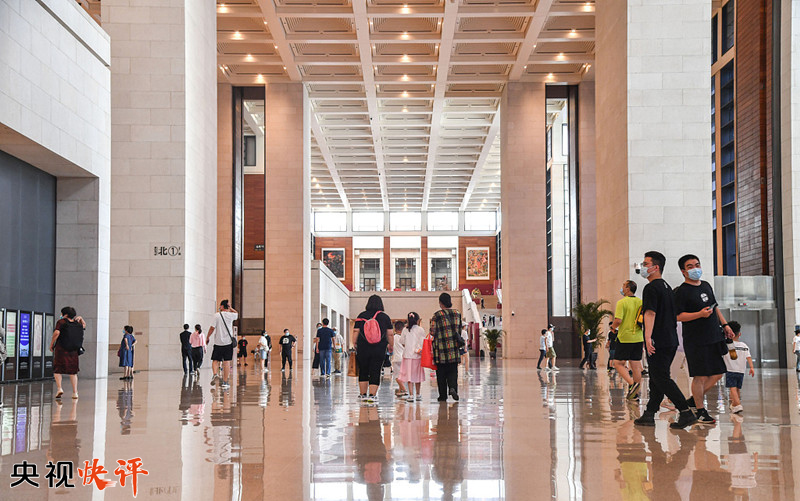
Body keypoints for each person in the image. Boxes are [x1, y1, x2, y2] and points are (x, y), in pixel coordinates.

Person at [633, 251, 697, 429]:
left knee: (661, 378)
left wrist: (647, 337)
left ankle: (685, 411)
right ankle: (649, 413)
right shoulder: (667, 287)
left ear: (656, 267)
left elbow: (650, 313)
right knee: (656, 378)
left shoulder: (651, 288)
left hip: (658, 340)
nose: (643, 267)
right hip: (670, 339)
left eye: (646, 264)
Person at [674, 254, 734, 424]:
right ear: (683, 271)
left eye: (697, 265)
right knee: (699, 376)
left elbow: (715, 308)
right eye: (690, 266)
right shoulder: (682, 291)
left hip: (714, 336)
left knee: (718, 372)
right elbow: (678, 316)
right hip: (696, 339)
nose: (695, 269)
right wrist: (699, 314)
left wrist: (725, 325)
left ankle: (693, 401)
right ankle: (700, 411)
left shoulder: (706, 285)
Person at [352, 294, 393, 404]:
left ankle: (362, 394)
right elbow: (390, 334)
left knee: (363, 370)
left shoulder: (361, 315)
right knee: (376, 370)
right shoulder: (384, 317)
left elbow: (356, 331)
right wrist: (391, 345)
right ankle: (372, 395)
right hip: (379, 348)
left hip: (363, 347)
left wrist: (354, 343)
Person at [612, 280, 644, 399]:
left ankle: (632, 384)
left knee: (618, 363)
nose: (622, 288)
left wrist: (612, 327)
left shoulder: (622, 302)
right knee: (635, 365)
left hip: (625, 337)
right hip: (638, 337)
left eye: (623, 286)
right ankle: (636, 392)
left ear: (627, 288)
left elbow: (618, 320)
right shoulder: (641, 302)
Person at [430, 292, 464, 402]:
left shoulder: (437, 315)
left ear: (440, 302)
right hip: (454, 348)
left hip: (441, 350)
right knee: (453, 371)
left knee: (441, 373)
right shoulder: (457, 313)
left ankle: (442, 396)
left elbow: (432, 332)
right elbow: (459, 330)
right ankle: (453, 388)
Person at [50, 306, 85, 400]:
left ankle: (59, 388)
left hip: (61, 349)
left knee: (57, 369)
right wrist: (81, 319)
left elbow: (57, 333)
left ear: (65, 315)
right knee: (73, 372)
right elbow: (84, 326)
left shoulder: (61, 322)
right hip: (73, 350)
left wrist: (52, 343)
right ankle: (75, 392)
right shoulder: (77, 324)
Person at [723, 321, 754, 414]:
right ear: (739, 334)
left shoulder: (727, 345)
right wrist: (751, 367)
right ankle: (734, 405)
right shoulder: (744, 345)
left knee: (732, 388)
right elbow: (748, 357)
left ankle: (738, 404)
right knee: (737, 388)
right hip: (741, 371)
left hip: (730, 370)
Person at [206, 299, 238, 389]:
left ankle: (215, 374)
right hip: (228, 343)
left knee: (215, 360)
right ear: (227, 307)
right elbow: (236, 313)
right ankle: (225, 382)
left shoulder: (216, 315)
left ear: (221, 306)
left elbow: (212, 328)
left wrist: (208, 337)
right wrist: (230, 308)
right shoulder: (231, 315)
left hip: (218, 342)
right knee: (226, 362)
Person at [399, 312, 427, 402]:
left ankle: (411, 395)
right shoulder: (420, 329)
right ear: (418, 320)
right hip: (417, 356)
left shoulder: (405, 330)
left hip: (407, 355)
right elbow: (423, 342)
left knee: (409, 376)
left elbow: (402, 341)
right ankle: (418, 394)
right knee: (417, 375)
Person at [392, 321, 408, 397]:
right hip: (404, 358)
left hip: (396, 358)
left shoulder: (394, 337)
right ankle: (400, 389)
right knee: (402, 375)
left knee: (396, 376)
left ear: (395, 329)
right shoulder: (405, 338)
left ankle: (404, 389)